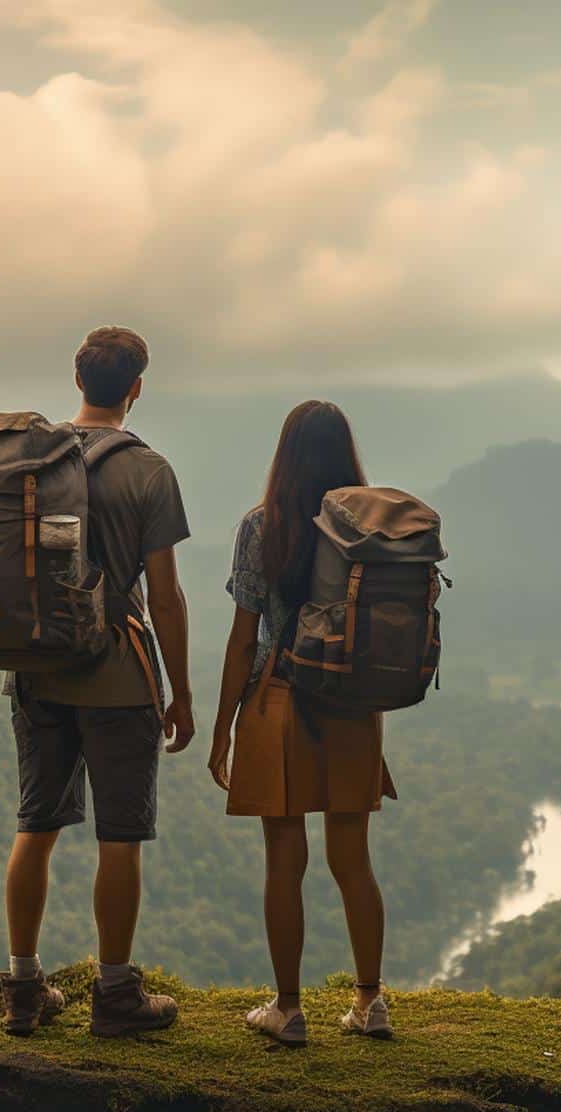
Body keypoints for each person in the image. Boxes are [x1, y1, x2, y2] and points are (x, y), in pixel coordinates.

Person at [0, 326, 198, 1038]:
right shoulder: (148, 472)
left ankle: (24, 986)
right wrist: (181, 692)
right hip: (118, 676)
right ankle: (114, 996)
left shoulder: (33, 459)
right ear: (136, 388)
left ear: (78, 381)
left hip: (38, 669)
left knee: (36, 825)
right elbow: (167, 597)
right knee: (120, 836)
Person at [207, 401, 398, 1048]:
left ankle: (287, 1009)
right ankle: (370, 1001)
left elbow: (241, 640)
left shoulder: (264, 526)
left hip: (280, 699)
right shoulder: (369, 527)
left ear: (284, 454)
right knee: (354, 858)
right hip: (352, 703)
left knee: (284, 857)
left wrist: (223, 727)